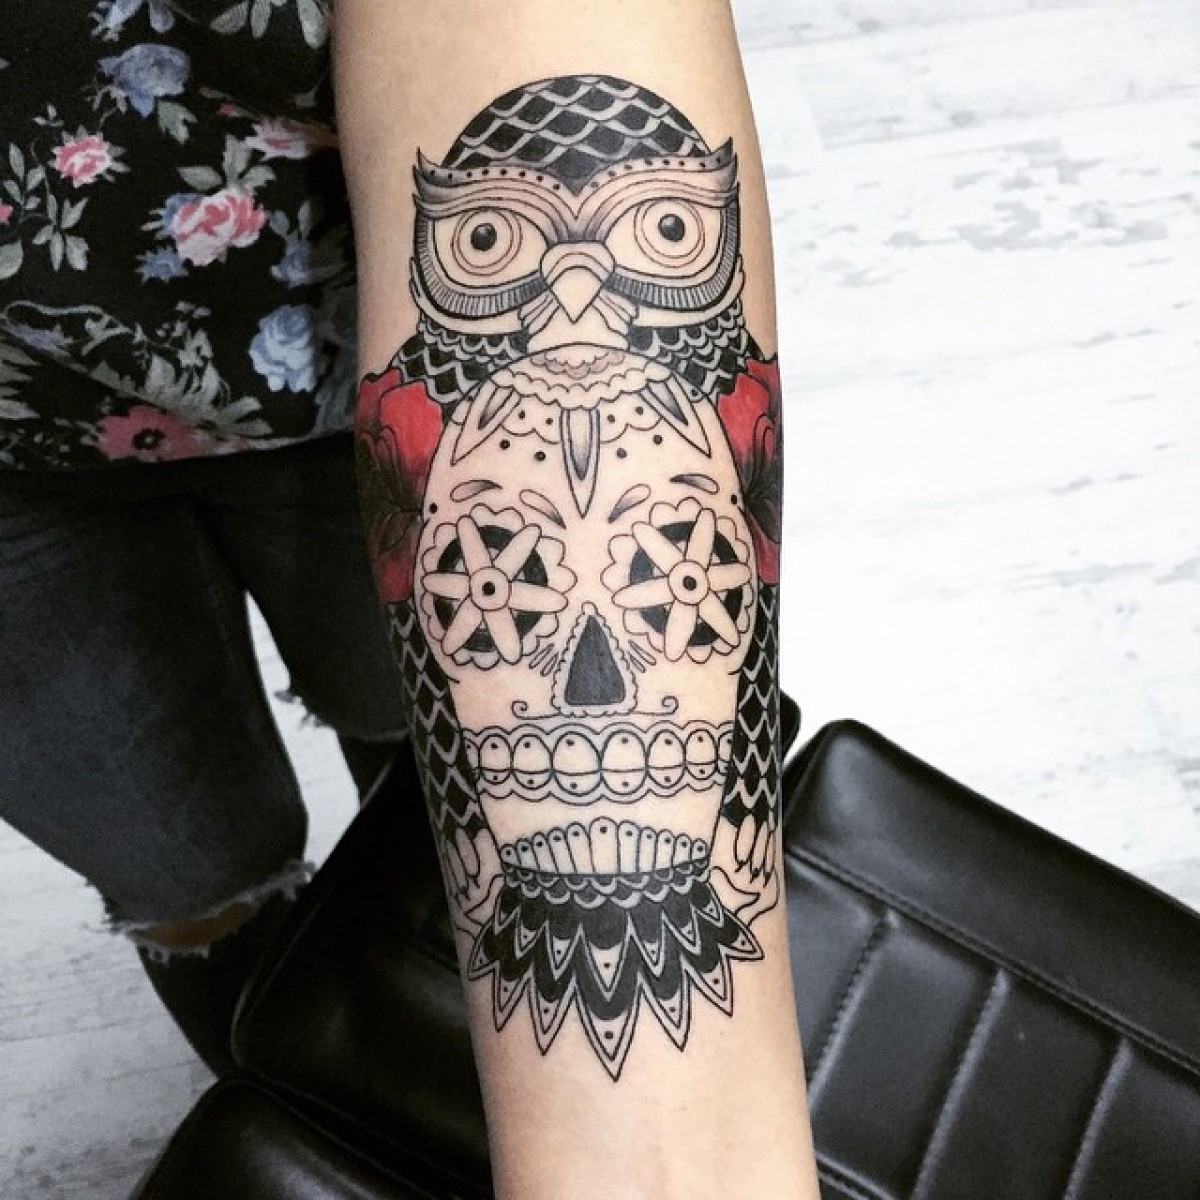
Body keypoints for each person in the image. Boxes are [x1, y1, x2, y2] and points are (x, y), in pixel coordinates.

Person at [2, 1, 822, 1194]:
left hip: (335, 379)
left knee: (414, 744)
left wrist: (659, 1159)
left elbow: (546, 52)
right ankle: (294, 1071)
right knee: (180, 867)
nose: (582, 294)